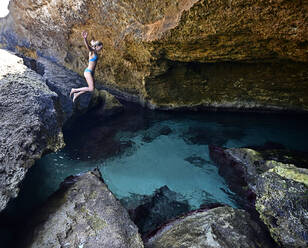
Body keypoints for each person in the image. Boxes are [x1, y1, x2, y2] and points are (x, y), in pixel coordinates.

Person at [70, 31, 103, 102]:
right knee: (91, 89)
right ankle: (74, 90)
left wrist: (93, 76)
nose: (101, 48)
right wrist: (85, 39)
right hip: (88, 72)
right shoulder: (92, 52)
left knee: (91, 88)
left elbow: (92, 44)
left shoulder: (95, 52)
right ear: (97, 47)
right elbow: (88, 47)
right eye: (100, 47)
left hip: (91, 73)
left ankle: (77, 94)